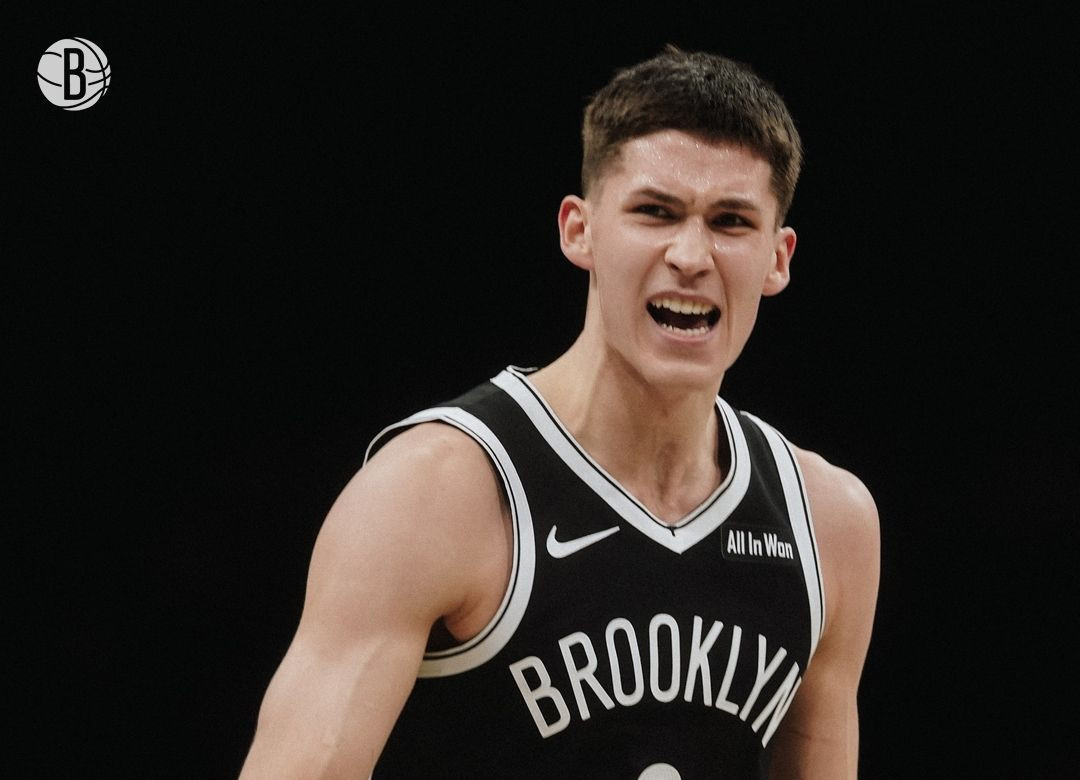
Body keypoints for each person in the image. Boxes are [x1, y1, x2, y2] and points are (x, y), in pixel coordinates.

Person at [239, 45, 880, 778]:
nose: (691, 255)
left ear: (778, 257)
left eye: (731, 221)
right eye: (655, 212)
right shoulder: (432, 490)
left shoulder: (829, 523)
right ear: (580, 229)